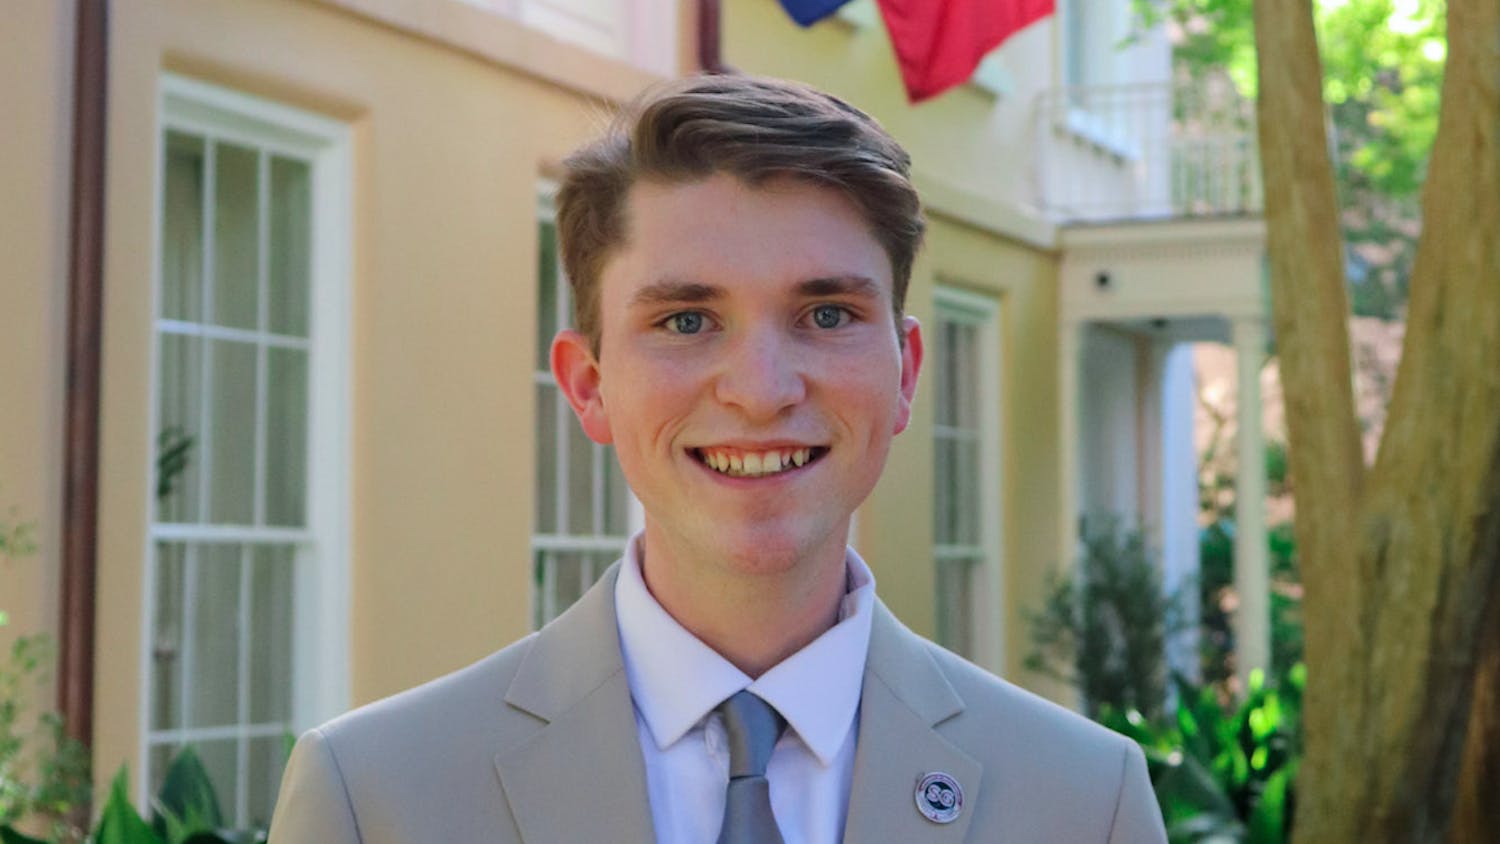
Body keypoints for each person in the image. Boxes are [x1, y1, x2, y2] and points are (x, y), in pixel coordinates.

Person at [268, 73, 1167, 843]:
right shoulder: (374, 797)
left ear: (906, 375)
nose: (762, 389)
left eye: (826, 315)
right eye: (686, 321)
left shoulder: (1085, 802)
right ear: (587, 386)